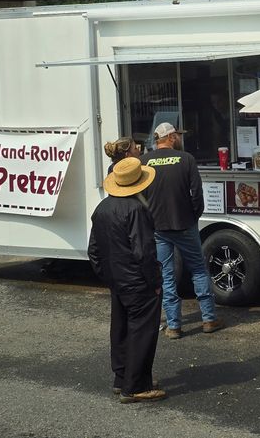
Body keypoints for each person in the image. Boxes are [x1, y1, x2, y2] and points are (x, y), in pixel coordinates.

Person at [87, 157, 167, 404]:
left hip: (117, 279)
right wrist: (154, 280)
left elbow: (94, 250)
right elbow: (144, 251)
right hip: (137, 281)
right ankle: (135, 386)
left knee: (121, 329)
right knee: (142, 332)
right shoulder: (136, 210)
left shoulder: (102, 208)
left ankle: (122, 378)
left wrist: (107, 275)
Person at [141, 122, 223, 338]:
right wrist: (193, 216)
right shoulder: (186, 159)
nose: (179, 137)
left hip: (158, 227)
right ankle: (208, 319)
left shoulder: (144, 162)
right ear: (171, 137)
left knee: (166, 276)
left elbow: (141, 195)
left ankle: (174, 325)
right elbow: (197, 193)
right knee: (198, 269)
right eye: (177, 134)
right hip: (185, 224)